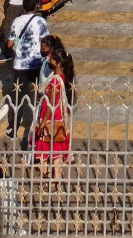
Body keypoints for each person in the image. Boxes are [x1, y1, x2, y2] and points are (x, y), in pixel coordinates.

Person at [9, 0, 50, 142]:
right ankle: (40, 122)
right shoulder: (40, 21)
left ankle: (13, 128)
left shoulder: (16, 21)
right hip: (36, 63)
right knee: (41, 94)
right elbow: (45, 41)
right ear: (36, 6)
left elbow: (9, 43)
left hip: (19, 65)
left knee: (17, 98)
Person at [33, 36, 74, 177]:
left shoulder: (55, 80)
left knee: (44, 146)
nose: (49, 60)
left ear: (57, 63)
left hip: (50, 118)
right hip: (59, 117)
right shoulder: (62, 78)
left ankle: (45, 173)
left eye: (52, 59)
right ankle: (57, 177)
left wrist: (43, 121)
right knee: (56, 150)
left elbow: (51, 104)